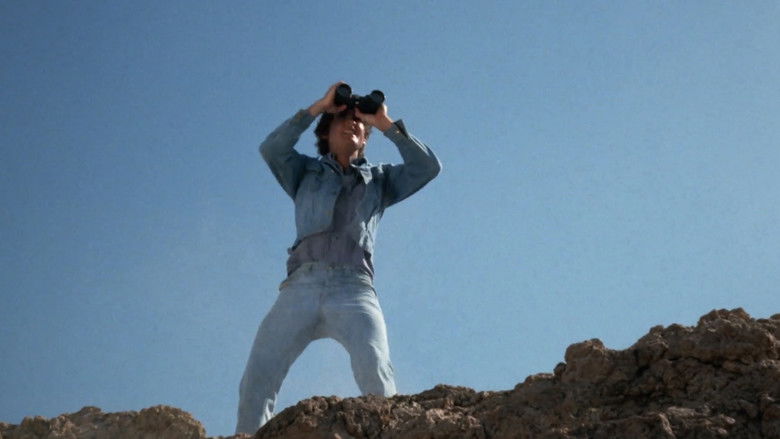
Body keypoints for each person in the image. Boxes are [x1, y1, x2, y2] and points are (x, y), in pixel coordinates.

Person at [235, 82, 441, 434]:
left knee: (376, 369)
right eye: (343, 119)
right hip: (300, 287)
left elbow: (427, 167)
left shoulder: (381, 180)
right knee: (258, 377)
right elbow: (272, 149)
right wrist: (319, 107)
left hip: (354, 289)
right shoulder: (304, 172)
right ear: (325, 134)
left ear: (366, 138)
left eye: (359, 122)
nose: (353, 124)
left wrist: (384, 123)